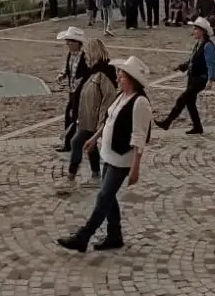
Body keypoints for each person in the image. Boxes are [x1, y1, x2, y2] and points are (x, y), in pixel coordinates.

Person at [56, 56, 152, 253]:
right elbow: (109, 120)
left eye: (121, 75)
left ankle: (83, 237)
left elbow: (139, 137)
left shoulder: (140, 103)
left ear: (131, 79)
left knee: (104, 196)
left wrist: (135, 167)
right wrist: (94, 138)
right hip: (108, 153)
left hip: (122, 158)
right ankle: (114, 235)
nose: (117, 78)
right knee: (109, 196)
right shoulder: (121, 95)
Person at [57, 38, 117, 194]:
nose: (86, 56)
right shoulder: (94, 71)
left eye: (88, 52)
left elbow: (108, 98)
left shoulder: (104, 72)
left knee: (76, 142)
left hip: (94, 119)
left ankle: (71, 177)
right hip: (87, 118)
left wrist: (102, 121)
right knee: (89, 146)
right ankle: (95, 175)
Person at [156, 17, 215, 135]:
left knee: (182, 99)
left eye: (195, 29)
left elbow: (211, 64)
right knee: (190, 102)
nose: (193, 31)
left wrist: (210, 80)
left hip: (201, 78)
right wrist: (181, 67)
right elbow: (192, 60)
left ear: (202, 31)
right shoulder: (198, 44)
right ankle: (197, 127)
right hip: (193, 78)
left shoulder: (208, 46)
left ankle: (167, 122)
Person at [56, 26, 89, 152]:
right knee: (70, 116)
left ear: (77, 43)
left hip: (81, 93)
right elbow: (67, 69)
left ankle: (75, 143)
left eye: (69, 41)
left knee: (76, 117)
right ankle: (70, 143)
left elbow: (89, 73)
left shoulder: (85, 57)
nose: (67, 43)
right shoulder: (70, 55)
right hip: (72, 91)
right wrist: (62, 75)